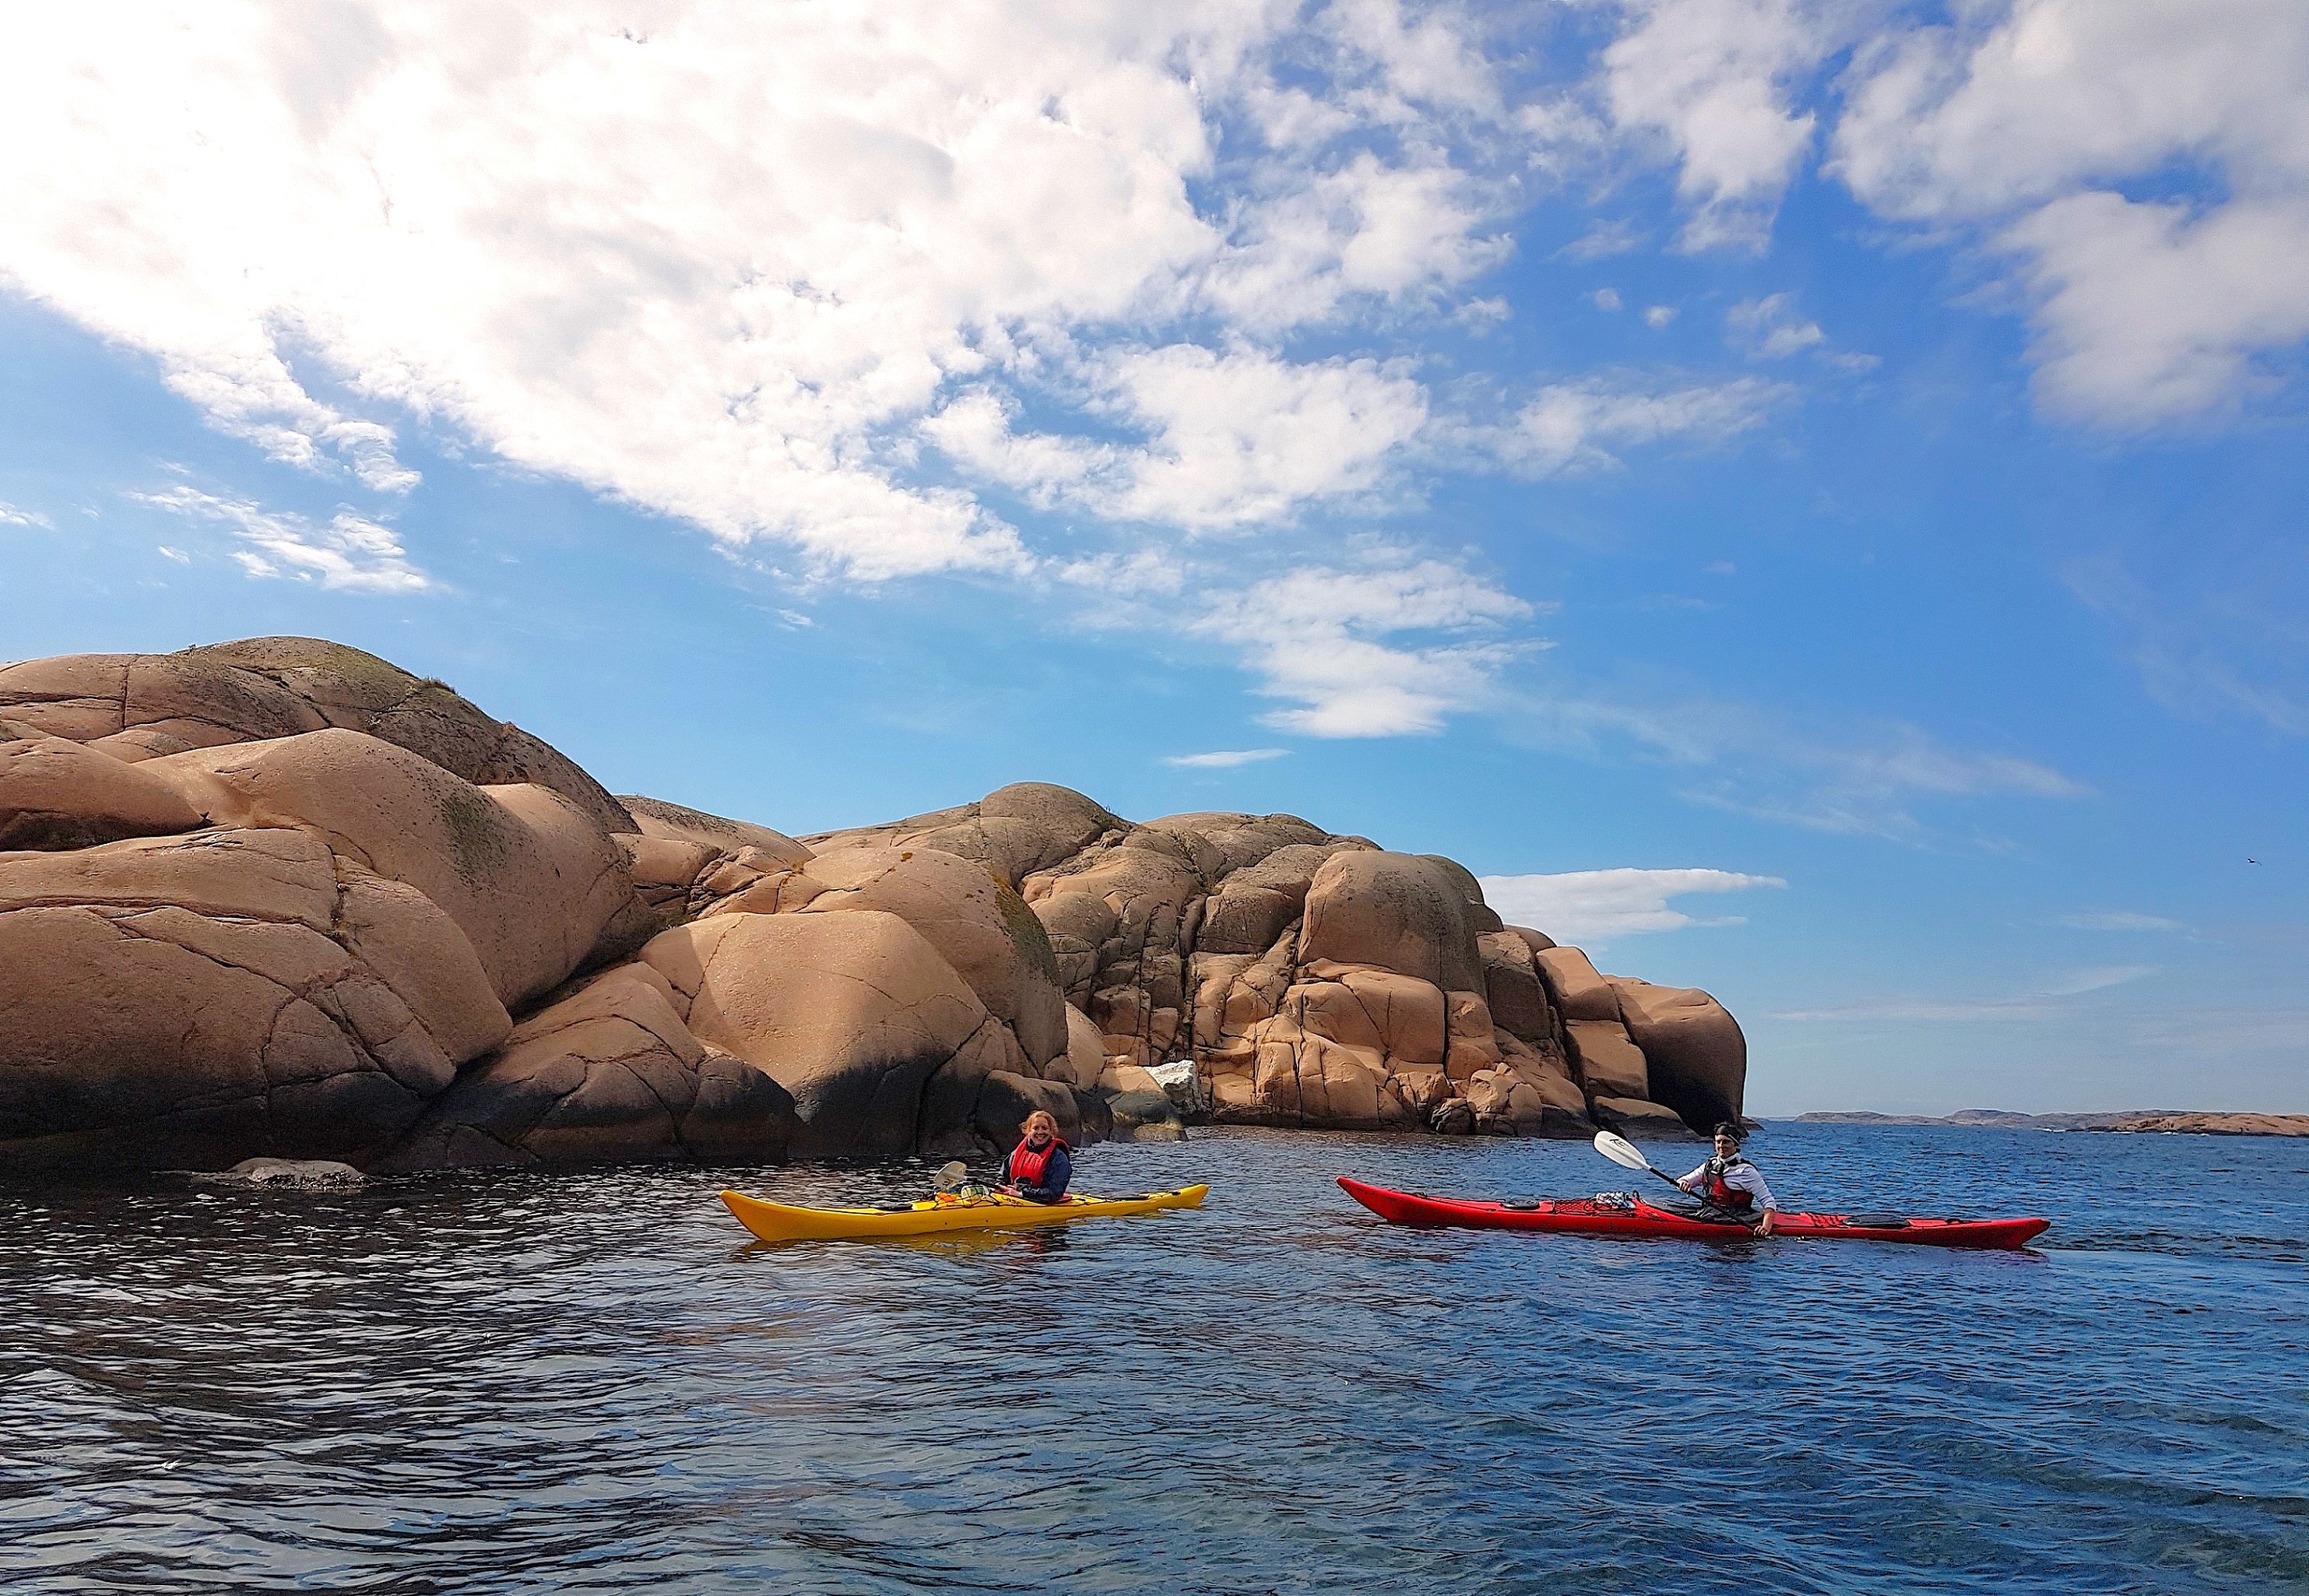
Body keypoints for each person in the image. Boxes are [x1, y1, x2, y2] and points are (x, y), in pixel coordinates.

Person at [1677, 1122, 1780, 1234]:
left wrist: (1766, 1227)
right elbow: (1684, 1180)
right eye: (1718, 1142)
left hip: (1736, 1218)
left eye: (1726, 1142)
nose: (1721, 1146)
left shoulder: (1746, 1171)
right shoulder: (1710, 1165)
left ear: (1735, 1145)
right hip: (1710, 1213)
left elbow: (1769, 1202)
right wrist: (1684, 1183)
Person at [1000, 1110, 1073, 1204]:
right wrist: (1001, 1187)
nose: (1040, 1132)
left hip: (1042, 1201)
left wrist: (1022, 1194)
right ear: (1029, 1131)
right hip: (1014, 1197)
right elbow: (1001, 1179)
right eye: (1036, 1128)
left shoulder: (1059, 1159)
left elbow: (1054, 1193)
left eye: (1045, 1128)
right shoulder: (1015, 1154)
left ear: (1051, 1131)